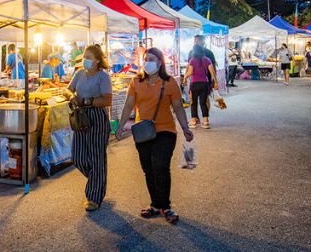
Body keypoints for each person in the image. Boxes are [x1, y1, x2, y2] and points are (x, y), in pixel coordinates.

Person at [116, 47, 193, 224]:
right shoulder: (136, 81)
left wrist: (185, 128)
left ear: (159, 62)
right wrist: (120, 127)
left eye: (151, 59)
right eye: (146, 59)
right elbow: (128, 105)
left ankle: (165, 206)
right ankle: (155, 204)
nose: (147, 62)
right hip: (143, 132)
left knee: (160, 166)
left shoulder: (170, 82)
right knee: (148, 169)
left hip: (166, 131)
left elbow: (178, 107)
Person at [63, 44, 113, 212]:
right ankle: (97, 179)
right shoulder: (79, 74)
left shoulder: (103, 77)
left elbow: (107, 100)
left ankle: (94, 197)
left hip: (97, 117)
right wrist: (72, 97)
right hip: (80, 117)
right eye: (84, 56)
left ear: (98, 60)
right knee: (78, 157)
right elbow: (67, 90)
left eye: (89, 57)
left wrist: (87, 101)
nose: (85, 60)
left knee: (97, 156)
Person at [182, 44, 217, 129]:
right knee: (203, 103)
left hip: (195, 84)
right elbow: (212, 72)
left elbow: (190, 72)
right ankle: (205, 122)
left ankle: (193, 121)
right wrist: (216, 82)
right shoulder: (207, 60)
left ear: (194, 51)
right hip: (204, 83)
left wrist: (185, 78)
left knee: (193, 103)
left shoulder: (192, 60)